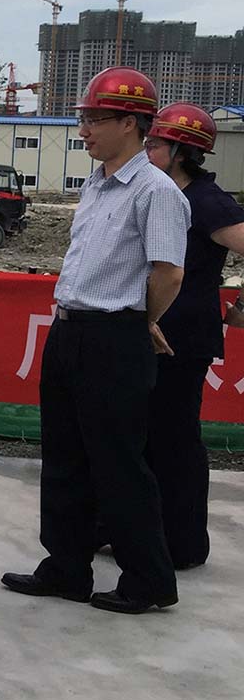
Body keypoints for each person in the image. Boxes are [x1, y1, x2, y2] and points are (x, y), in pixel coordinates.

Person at [2, 67, 190, 615]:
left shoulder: (155, 192)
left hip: (114, 338)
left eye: (94, 120)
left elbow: (168, 273)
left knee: (117, 463)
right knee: (64, 456)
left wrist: (139, 320)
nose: (83, 130)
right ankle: (65, 567)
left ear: (130, 123)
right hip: (70, 331)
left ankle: (149, 579)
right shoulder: (96, 183)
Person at [143, 103, 244, 569]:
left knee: (176, 438)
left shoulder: (206, 199)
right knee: (144, 435)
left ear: (182, 152)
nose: (147, 149)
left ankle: (184, 544)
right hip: (150, 329)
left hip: (184, 335)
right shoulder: (160, 191)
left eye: (156, 144)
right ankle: (142, 528)